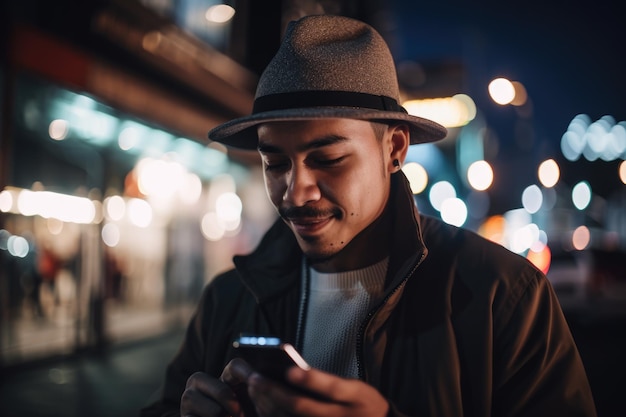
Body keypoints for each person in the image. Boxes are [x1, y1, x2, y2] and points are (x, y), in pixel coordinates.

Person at [140, 14, 597, 417]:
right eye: (275, 163)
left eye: (328, 159)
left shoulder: (502, 295)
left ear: (394, 148)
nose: (296, 190)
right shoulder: (227, 299)